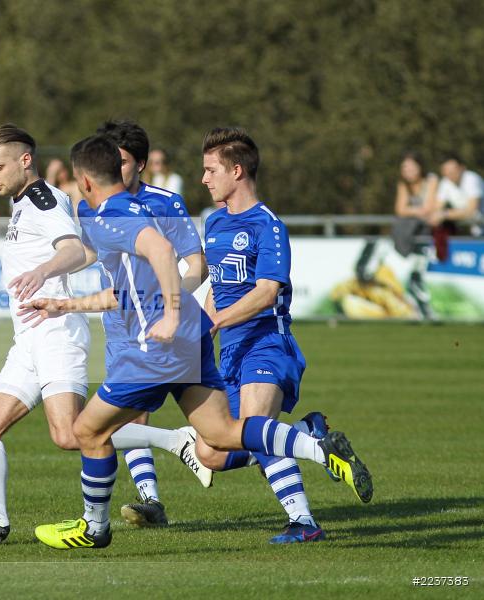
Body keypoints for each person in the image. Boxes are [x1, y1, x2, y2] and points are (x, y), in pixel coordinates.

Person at [20, 134, 372, 551]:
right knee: (220, 438)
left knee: (85, 429)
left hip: (164, 347)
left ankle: (93, 528)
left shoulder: (113, 214)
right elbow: (129, 292)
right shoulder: (136, 209)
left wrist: (170, 314)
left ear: (86, 181)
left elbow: (163, 252)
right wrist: (66, 304)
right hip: (192, 338)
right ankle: (317, 446)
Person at [0, 125, 198, 543]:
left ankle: (175, 440)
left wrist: (42, 272)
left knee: (72, 433)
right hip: (28, 338)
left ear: (26, 160)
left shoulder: (44, 200)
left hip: (55, 332)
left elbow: (74, 248)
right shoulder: (23, 203)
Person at [197, 127, 340, 544]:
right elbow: (218, 290)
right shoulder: (215, 221)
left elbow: (266, 293)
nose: (203, 179)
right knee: (210, 451)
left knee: (256, 425)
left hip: (267, 343)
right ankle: (307, 433)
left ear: (236, 171)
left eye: (210, 170)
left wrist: (214, 323)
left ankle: (304, 523)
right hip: (229, 354)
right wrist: (200, 333)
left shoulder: (268, 225)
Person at [86, 120, 213, 527]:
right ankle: (151, 500)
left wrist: (168, 300)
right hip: (119, 324)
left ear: (140, 164)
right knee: (126, 417)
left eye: (121, 162)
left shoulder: (165, 203)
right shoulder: (92, 205)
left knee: (217, 435)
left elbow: (196, 263)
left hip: (161, 326)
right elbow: (95, 256)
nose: (114, 169)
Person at [392, 152, 439, 318]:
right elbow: (399, 209)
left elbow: (428, 208)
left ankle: (423, 306)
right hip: (415, 236)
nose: (408, 170)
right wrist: (418, 212)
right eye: (404, 167)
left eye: (411, 166)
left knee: (419, 274)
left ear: (420, 167)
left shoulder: (431, 180)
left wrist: (411, 211)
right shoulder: (403, 184)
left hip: (432, 234)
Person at [433, 155, 483, 236]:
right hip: (466, 227)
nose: (450, 173)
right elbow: (436, 208)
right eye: (446, 170)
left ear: (462, 168)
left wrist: (444, 214)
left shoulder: (472, 178)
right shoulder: (445, 183)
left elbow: (471, 211)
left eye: (453, 169)